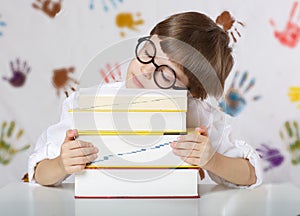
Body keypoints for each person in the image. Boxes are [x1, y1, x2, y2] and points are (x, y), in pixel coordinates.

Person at [28, 11, 262, 187]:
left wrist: (212, 160)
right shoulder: (85, 105)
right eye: (148, 53)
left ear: (191, 93)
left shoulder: (201, 118)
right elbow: (39, 172)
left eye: (166, 73)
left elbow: (250, 174)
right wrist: (60, 164)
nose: (146, 70)